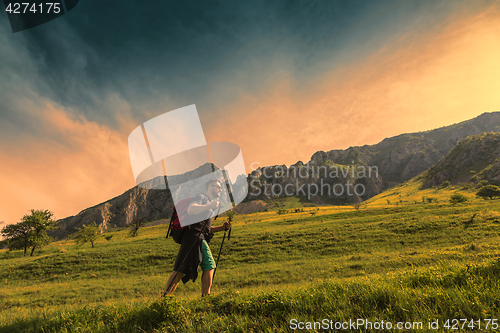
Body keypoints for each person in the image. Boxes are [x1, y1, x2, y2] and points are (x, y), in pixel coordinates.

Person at [163, 179, 231, 297]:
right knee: (183, 270)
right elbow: (191, 209)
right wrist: (210, 205)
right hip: (193, 237)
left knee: (200, 267)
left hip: (198, 237)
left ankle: (166, 298)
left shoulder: (207, 203)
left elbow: (205, 228)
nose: (220, 189)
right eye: (218, 187)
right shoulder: (201, 197)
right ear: (210, 187)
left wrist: (222, 228)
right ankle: (165, 299)